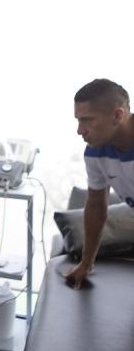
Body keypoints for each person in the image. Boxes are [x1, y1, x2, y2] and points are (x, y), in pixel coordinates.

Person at [66, 78, 134, 289]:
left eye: (87, 120)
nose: (80, 130)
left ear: (118, 115)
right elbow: (96, 206)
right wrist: (86, 263)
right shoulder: (96, 152)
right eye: (78, 120)